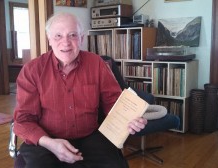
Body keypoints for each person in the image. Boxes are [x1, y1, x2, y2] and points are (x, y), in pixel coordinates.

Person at [13, 12, 148, 168]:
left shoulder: (96, 64)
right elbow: (23, 120)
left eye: (72, 35)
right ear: (49, 39)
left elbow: (114, 102)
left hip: (90, 137)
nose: (66, 43)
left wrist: (130, 118)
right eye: (58, 36)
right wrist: (50, 143)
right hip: (46, 140)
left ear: (82, 39)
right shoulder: (32, 70)